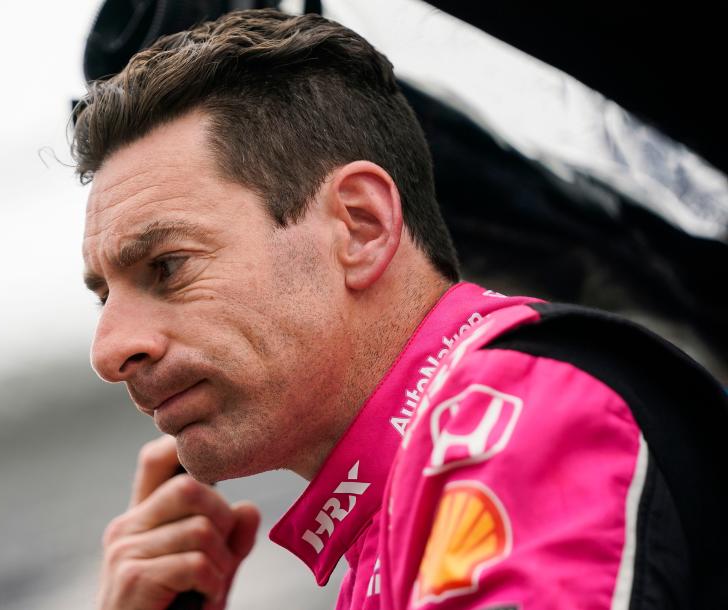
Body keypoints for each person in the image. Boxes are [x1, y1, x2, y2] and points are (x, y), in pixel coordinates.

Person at [72, 9, 728, 610]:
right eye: (105, 295)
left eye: (167, 266)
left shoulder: (502, 418)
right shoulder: (399, 507)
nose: (109, 351)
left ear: (360, 226)